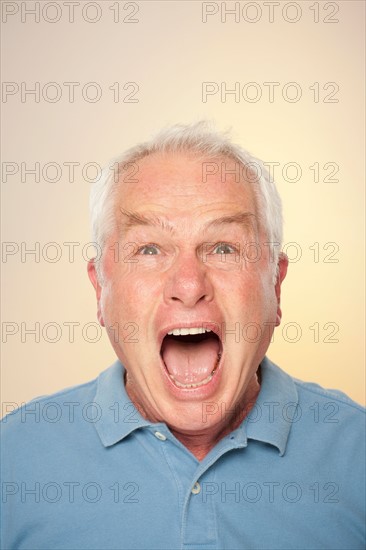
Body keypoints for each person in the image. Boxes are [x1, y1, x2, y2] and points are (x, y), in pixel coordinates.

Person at [1, 122, 365, 550]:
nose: (190, 285)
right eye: (149, 249)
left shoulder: (357, 456)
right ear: (101, 289)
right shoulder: (13, 460)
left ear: (276, 285)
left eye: (224, 248)